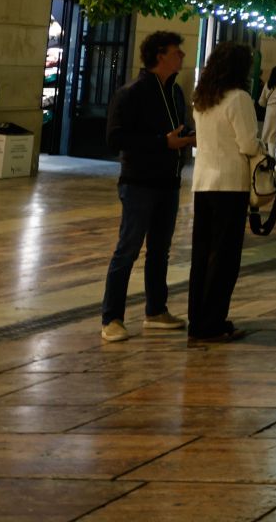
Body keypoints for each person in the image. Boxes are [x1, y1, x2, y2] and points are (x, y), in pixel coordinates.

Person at [100, 31, 192, 343]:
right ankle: (111, 317)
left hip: (168, 182)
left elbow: (178, 129)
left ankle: (156, 310)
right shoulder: (132, 93)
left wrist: (187, 138)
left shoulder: (175, 92)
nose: (181, 55)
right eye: (175, 51)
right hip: (139, 183)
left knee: (160, 251)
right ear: (158, 55)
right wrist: (162, 142)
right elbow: (115, 139)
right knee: (127, 250)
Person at [187, 42, 258, 344]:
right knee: (225, 257)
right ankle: (212, 322)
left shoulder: (203, 99)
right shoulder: (239, 99)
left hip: (203, 183)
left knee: (202, 255)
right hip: (230, 184)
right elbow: (249, 145)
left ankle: (199, 320)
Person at [256, 64, 276, 156]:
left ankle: (271, 159)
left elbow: (261, 102)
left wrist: (268, 105)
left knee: (270, 138)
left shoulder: (268, 84)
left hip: (270, 112)